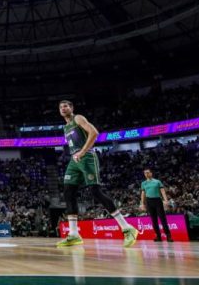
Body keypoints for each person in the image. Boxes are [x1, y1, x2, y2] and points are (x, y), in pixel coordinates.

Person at [56, 100, 138, 248]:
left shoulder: (78, 118)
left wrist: (83, 151)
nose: (63, 108)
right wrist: (76, 154)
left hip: (86, 156)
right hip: (74, 159)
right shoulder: (65, 127)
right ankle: (74, 234)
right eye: (61, 107)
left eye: (66, 106)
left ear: (71, 108)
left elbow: (94, 133)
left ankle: (127, 228)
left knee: (95, 191)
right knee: (68, 192)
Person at [139, 168, 173, 242]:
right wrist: (142, 203)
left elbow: (162, 191)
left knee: (162, 218)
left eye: (148, 172)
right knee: (153, 220)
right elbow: (143, 194)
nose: (146, 174)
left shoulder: (157, 181)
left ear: (151, 173)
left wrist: (166, 200)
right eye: (145, 173)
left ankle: (168, 236)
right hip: (149, 201)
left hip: (157, 200)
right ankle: (158, 236)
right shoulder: (143, 183)